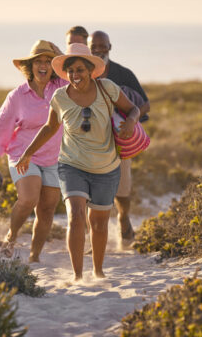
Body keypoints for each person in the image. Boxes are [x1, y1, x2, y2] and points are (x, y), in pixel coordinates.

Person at [15, 43, 140, 281]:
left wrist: (132, 122)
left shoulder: (107, 88)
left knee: (99, 223)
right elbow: (50, 127)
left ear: (91, 70)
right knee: (76, 215)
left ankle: (98, 270)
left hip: (106, 167)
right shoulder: (60, 96)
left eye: (80, 70)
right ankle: (78, 275)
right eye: (71, 71)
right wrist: (27, 153)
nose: (75, 75)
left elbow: (133, 108)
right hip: (72, 165)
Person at [0, 40, 67, 262]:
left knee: (47, 209)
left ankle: (34, 256)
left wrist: (59, 54)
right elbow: (2, 123)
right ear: (30, 66)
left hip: (54, 157)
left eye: (48, 61)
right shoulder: (17, 96)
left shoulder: (61, 88)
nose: (44, 65)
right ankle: (11, 235)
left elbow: (74, 69)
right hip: (23, 152)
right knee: (28, 198)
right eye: (39, 61)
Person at [88, 30, 150, 249]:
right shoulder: (83, 73)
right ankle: (95, 240)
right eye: (93, 46)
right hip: (90, 143)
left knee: (122, 191)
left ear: (110, 47)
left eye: (102, 46)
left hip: (120, 140)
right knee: (90, 193)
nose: (98, 50)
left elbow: (145, 104)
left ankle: (123, 217)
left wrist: (133, 120)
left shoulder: (123, 73)